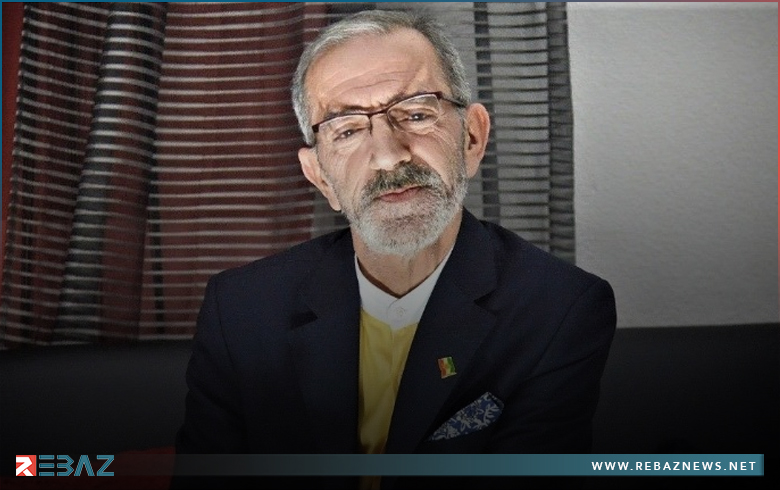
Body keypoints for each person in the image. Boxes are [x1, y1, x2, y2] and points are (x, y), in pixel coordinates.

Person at [174, 8, 616, 490]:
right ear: (320, 177)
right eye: (346, 130)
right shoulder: (239, 309)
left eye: (417, 113)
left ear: (472, 138)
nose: (388, 156)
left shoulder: (561, 308)